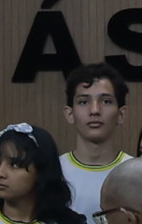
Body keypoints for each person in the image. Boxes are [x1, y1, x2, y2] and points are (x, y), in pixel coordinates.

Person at [54, 67, 130, 209]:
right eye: (83, 102)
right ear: (69, 114)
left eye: (106, 101)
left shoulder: (137, 173)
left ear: (121, 114)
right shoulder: (53, 172)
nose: (95, 110)